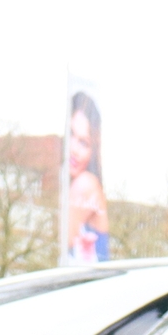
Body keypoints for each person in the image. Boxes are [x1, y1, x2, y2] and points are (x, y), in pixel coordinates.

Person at [63, 92, 111, 264]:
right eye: (70, 134)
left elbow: (60, 243)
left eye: (83, 143)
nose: (74, 149)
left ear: (93, 151)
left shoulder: (85, 184)